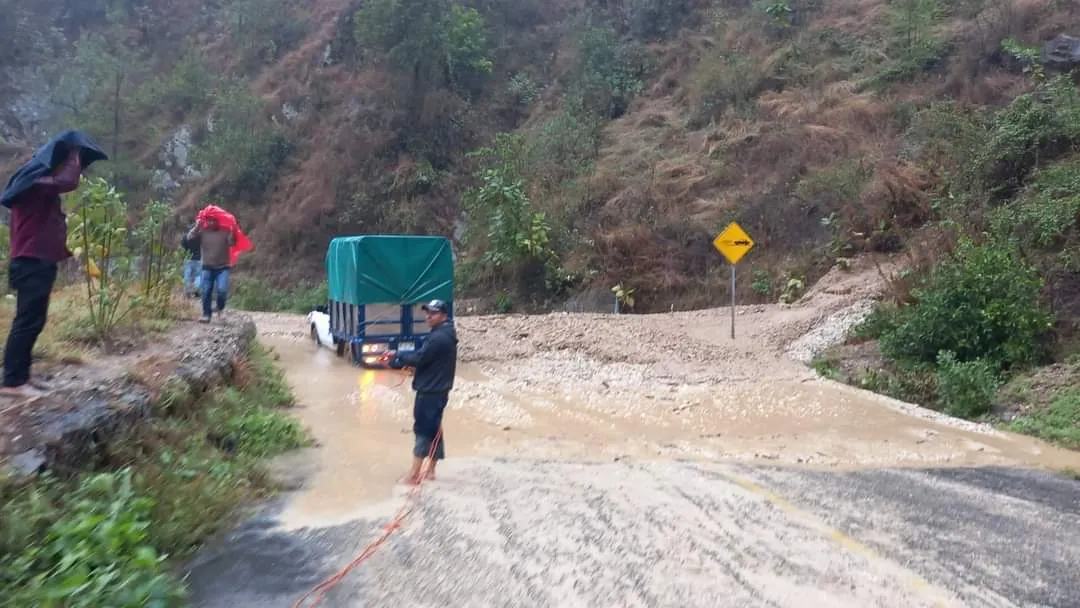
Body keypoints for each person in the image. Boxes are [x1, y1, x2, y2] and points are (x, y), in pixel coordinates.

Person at [0, 130, 108, 396]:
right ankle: (13, 381)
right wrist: (74, 152)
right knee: (27, 320)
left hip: (38, 261)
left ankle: (22, 375)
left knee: (34, 320)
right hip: (30, 262)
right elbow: (68, 181)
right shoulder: (33, 185)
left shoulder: (39, 188)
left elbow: (64, 182)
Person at [389, 299, 458, 485]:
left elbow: (419, 357)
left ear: (443, 315)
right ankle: (430, 472)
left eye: (433, 313)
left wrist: (397, 357)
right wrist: (416, 369)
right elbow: (431, 362)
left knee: (423, 431)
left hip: (429, 392)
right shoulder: (446, 333)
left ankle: (414, 476)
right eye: (427, 313)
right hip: (438, 390)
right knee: (435, 429)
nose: (428, 316)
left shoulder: (438, 338)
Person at [186, 215, 234, 323]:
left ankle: (220, 307)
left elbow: (232, 243)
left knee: (222, 290)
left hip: (223, 267)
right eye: (209, 220)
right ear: (206, 221)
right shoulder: (203, 231)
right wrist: (197, 226)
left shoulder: (225, 230)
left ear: (218, 221)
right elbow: (189, 238)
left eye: (214, 220)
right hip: (207, 267)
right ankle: (206, 314)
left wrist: (232, 233)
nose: (211, 222)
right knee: (206, 291)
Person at [180, 222, 201, 298]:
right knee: (198, 276)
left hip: (188, 258)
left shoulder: (185, 237)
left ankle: (188, 292)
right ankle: (196, 290)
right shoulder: (199, 237)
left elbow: (182, 247)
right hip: (198, 259)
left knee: (187, 276)